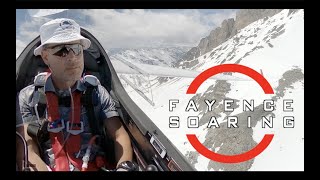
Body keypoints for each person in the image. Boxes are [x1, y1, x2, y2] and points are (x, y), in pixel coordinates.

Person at [18, 18, 133, 171]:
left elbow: (119, 135)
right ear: (45, 57)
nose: (72, 57)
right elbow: (27, 147)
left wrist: (123, 168)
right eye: (62, 50)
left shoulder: (96, 93)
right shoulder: (29, 97)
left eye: (77, 49)